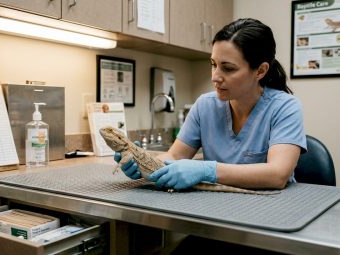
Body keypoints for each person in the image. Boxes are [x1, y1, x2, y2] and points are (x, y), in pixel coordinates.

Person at [114, 18, 307, 254]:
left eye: (228, 68)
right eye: (213, 64)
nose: (215, 76)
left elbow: (277, 175)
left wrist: (206, 170)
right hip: (217, 221)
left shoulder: (285, 107)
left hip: (270, 225)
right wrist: (142, 164)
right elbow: (174, 156)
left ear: (260, 70)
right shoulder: (205, 106)